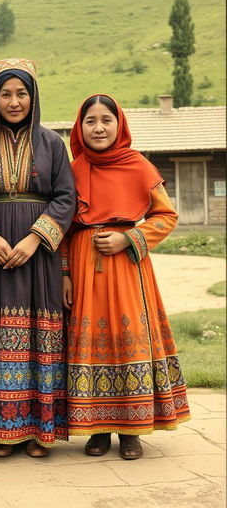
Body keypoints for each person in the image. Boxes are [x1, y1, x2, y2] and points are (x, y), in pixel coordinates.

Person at [62, 94, 190, 459]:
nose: (98, 127)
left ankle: (132, 429)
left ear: (120, 125)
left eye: (106, 120)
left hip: (128, 267)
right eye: (90, 121)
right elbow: (64, 229)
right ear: (79, 127)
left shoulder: (138, 166)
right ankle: (97, 429)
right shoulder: (71, 171)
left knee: (129, 336)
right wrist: (64, 273)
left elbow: (166, 216)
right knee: (88, 338)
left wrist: (128, 238)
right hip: (85, 268)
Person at [0, 58, 75, 458]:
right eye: (5, 94)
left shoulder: (51, 144)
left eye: (21, 93)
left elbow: (66, 198)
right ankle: (1, 430)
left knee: (37, 338)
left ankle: (38, 431)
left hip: (40, 257)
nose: (14, 102)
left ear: (33, 97)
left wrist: (34, 238)